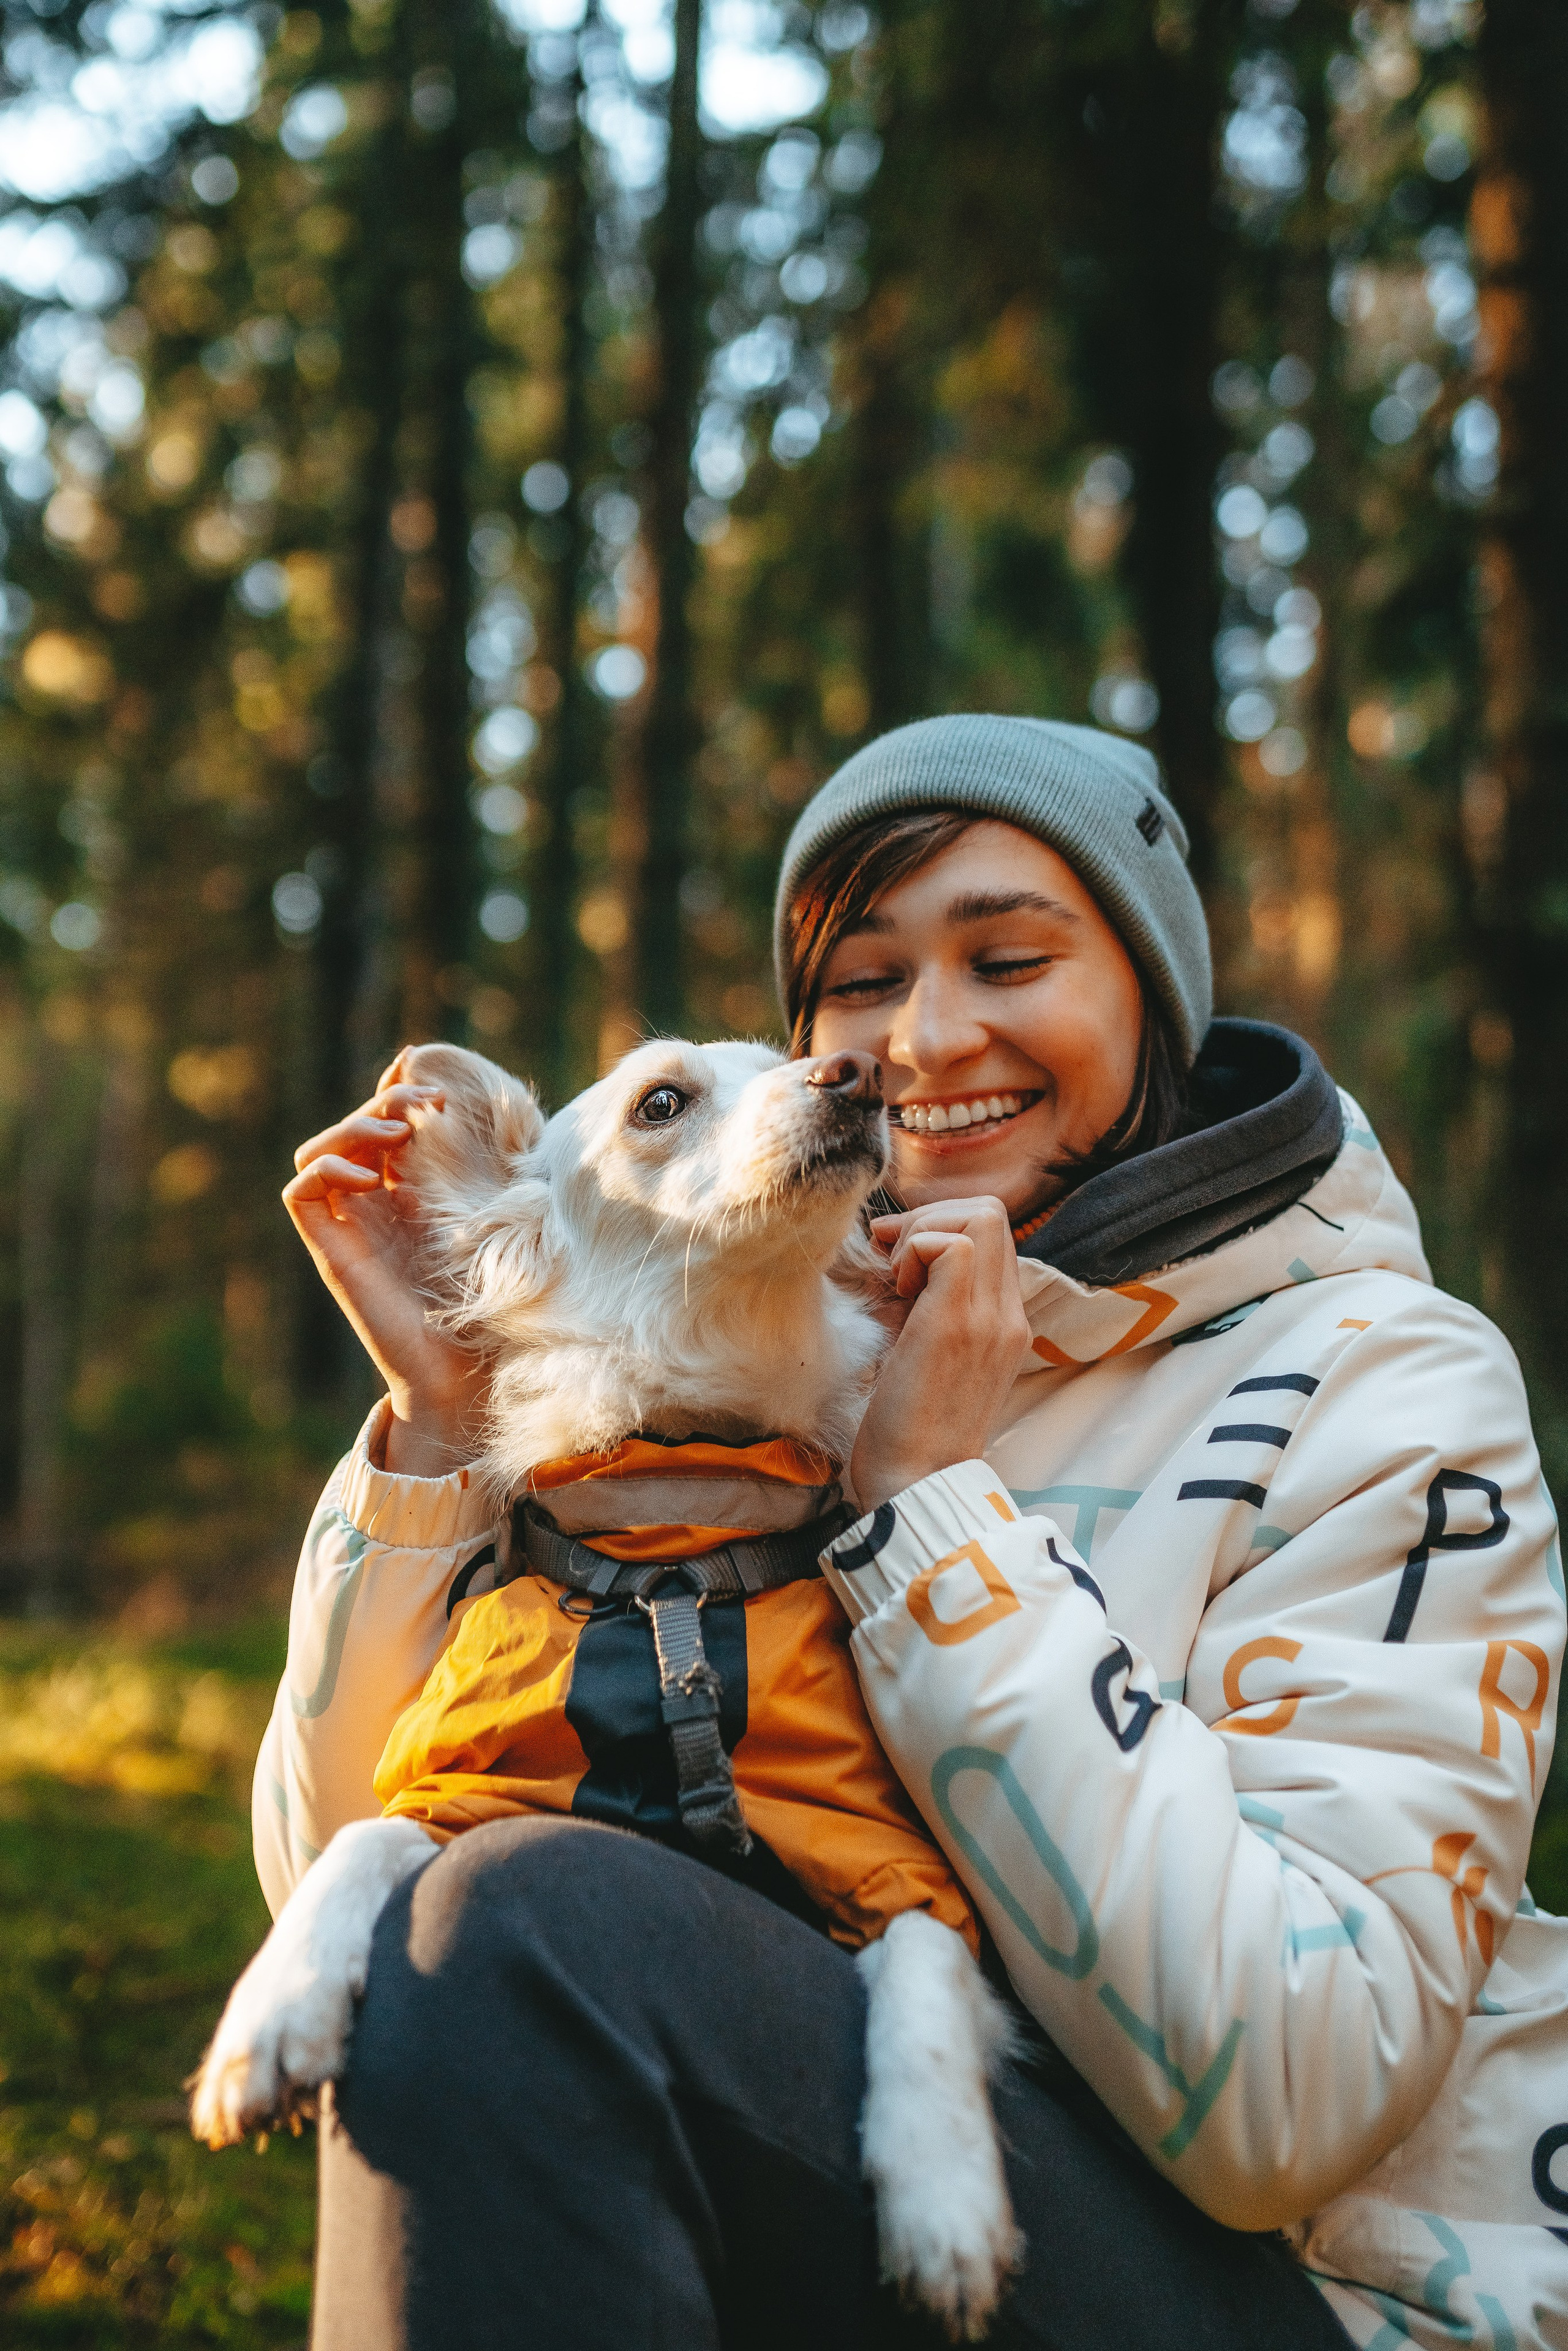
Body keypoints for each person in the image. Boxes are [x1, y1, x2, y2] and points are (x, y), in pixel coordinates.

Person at [255, 715, 1567, 2350]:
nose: (919, 1039)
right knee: (492, 1932)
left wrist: (932, 1509)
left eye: (1009, 957)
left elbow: (1297, 2099)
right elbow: (351, 1919)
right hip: (833, 2194)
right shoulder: (722, 1385)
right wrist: (449, 1433)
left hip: (1301, 2294)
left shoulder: (1382, 1377)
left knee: (531, 1928)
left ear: (1154, 998)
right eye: (861, 986)